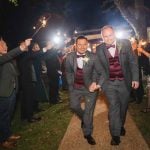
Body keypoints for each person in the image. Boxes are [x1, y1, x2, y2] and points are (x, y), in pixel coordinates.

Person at [95, 25, 139, 145]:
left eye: (110, 35)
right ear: (102, 37)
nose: (108, 38)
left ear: (114, 34)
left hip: (124, 83)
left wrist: (135, 78)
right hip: (109, 84)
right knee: (114, 107)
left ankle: (121, 125)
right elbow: (98, 69)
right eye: (105, 36)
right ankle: (115, 135)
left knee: (123, 108)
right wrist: (99, 83)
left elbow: (133, 62)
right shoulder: (99, 49)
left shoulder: (125, 43)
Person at [65, 36, 104, 145]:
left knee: (89, 112)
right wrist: (70, 83)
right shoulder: (69, 57)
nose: (82, 47)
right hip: (75, 87)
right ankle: (84, 119)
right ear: (75, 45)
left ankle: (88, 133)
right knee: (74, 106)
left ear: (87, 45)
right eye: (79, 44)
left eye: (84, 44)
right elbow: (68, 71)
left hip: (89, 89)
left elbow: (100, 72)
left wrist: (95, 82)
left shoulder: (93, 57)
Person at [0, 38, 31, 149]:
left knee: (8, 116)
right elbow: (9, 55)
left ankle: (8, 135)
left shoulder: (7, 59)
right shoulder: (3, 58)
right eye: (3, 45)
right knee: (2, 117)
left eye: (6, 44)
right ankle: (3, 141)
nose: (6, 47)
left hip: (12, 91)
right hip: (3, 94)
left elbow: (14, 72)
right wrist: (22, 47)